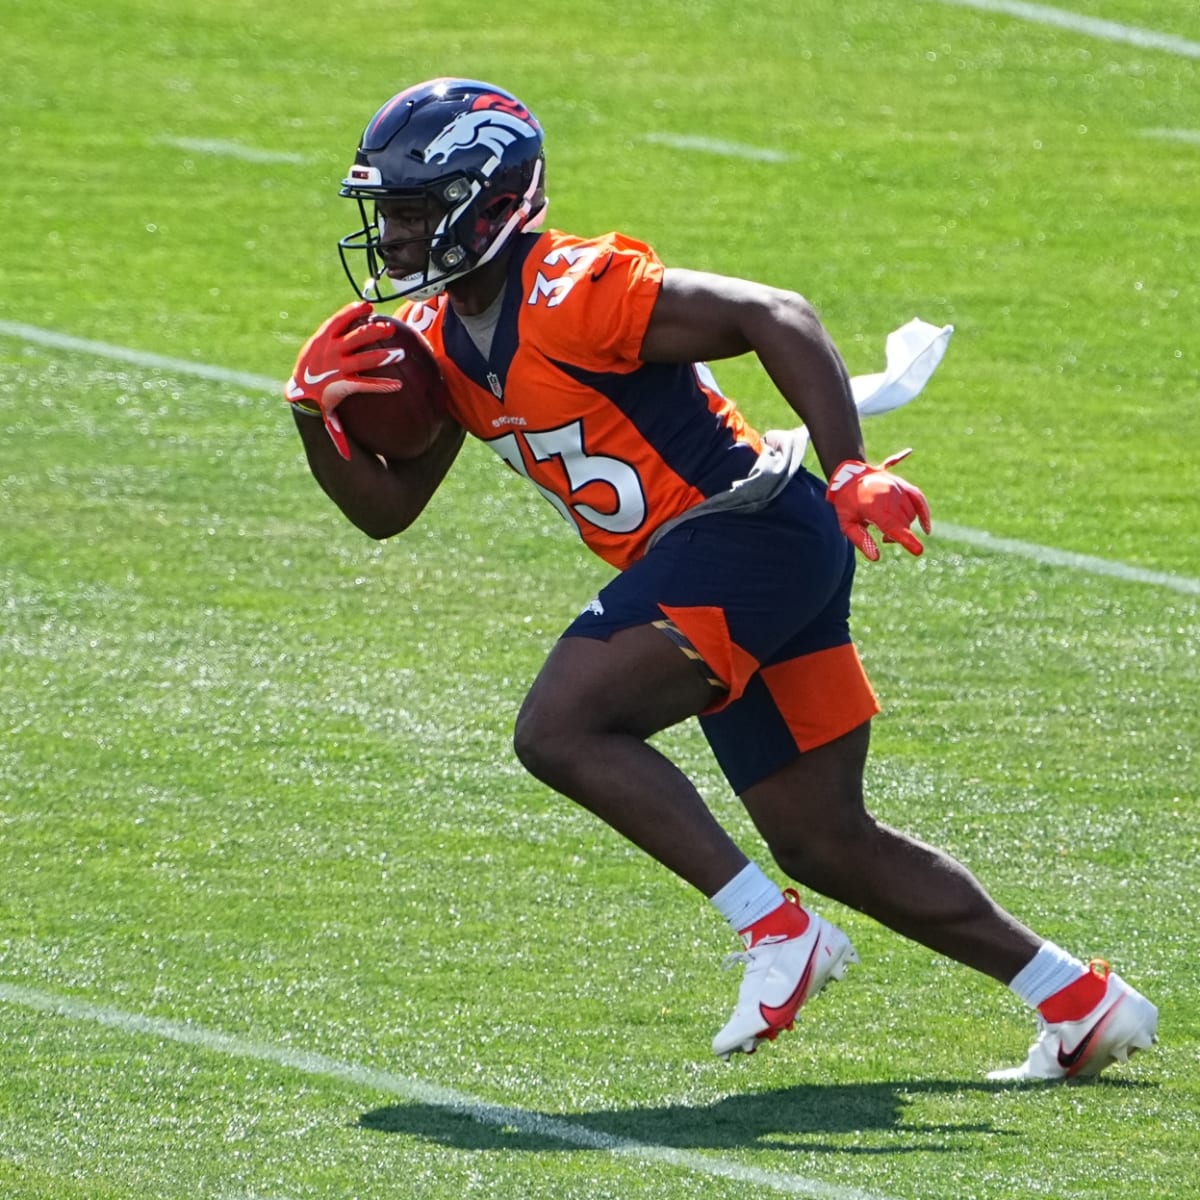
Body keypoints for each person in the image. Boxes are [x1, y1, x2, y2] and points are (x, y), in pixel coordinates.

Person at [283, 77, 1158, 1079]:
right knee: (825, 837)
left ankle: (778, 936)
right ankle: (1079, 1000)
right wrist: (314, 418)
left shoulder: (575, 287)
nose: (389, 236)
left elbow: (774, 313)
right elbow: (387, 511)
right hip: (736, 558)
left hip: (748, 531)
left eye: (407, 209)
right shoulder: (443, 339)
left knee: (561, 726)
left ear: (488, 200)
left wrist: (853, 467)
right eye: (383, 211)